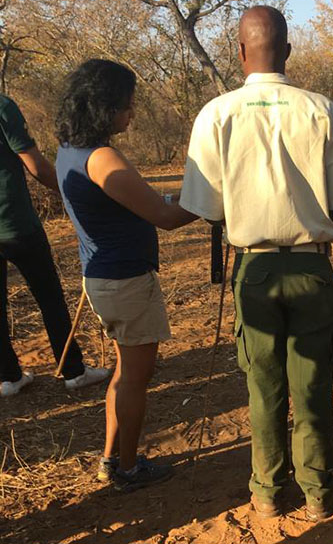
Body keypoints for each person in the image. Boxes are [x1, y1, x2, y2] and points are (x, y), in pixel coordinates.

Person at [180, 6, 333, 521]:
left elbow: (207, 208)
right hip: (312, 268)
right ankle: (320, 491)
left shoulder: (217, 114)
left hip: (253, 271)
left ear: (239, 53)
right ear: (288, 49)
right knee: (313, 383)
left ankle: (265, 490)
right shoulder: (322, 110)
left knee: (264, 384)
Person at [55, 59, 197, 491]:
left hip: (103, 277)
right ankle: (129, 469)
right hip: (125, 281)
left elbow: (142, 200)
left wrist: (174, 196)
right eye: (127, 106)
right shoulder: (102, 158)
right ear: (104, 107)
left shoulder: (70, 152)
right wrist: (214, 202)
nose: (131, 114)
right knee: (136, 377)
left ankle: (110, 457)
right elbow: (164, 217)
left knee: (123, 373)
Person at [0, 94, 110, 397]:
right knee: (50, 298)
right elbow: (36, 166)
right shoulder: (3, 106)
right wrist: (73, 193)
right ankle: (73, 371)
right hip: (17, 225)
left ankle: (9, 378)